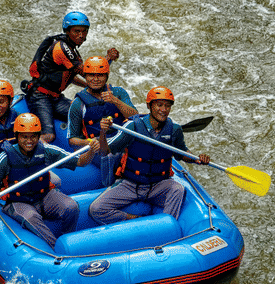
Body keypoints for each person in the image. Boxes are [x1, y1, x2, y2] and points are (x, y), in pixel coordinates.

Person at [88, 86, 210, 225]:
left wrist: (197, 159)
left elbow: (182, 153)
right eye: (159, 105)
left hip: (159, 185)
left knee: (178, 189)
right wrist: (103, 133)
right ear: (149, 105)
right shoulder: (132, 127)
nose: (163, 110)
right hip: (131, 184)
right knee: (96, 209)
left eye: (167, 106)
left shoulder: (174, 130)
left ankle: (165, 226)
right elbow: (105, 151)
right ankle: (133, 219)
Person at [0, 113, 95, 249]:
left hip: (44, 196)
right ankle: (56, 249)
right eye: (25, 137)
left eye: (33, 136)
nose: (29, 141)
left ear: (38, 136)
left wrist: (91, 152)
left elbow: (80, 162)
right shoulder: (5, 157)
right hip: (18, 202)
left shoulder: (47, 150)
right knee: (31, 217)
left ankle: (67, 240)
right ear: (17, 136)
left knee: (71, 207)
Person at [23, 11, 120, 144]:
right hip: (39, 96)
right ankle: (26, 157)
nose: (81, 35)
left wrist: (87, 85)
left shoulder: (71, 49)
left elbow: (70, 75)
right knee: (49, 136)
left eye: (84, 31)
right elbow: (87, 72)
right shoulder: (62, 48)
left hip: (55, 98)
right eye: (77, 31)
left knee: (83, 115)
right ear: (67, 31)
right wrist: (108, 59)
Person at [67, 56, 137, 186]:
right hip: (98, 148)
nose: (95, 79)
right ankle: (111, 186)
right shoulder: (78, 104)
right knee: (109, 155)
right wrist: (89, 143)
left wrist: (116, 101)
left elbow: (135, 117)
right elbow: (72, 140)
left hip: (121, 141)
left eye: (100, 75)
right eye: (91, 75)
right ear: (85, 76)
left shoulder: (118, 93)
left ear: (106, 76)